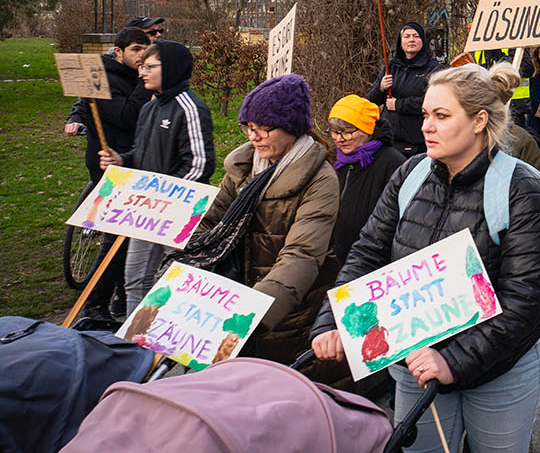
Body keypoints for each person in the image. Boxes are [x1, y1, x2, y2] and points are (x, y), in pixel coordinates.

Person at [311, 63, 540, 453]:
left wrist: (453, 361)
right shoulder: (410, 173)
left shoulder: (521, 188)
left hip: (501, 370)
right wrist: (333, 319)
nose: (426, 126)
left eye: (441, 115)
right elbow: (368, 251)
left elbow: (524, 297)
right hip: (415, 360)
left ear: (479, 121)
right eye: (425, 114)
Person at [167, 75, 340, 363]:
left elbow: (301, 256)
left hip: (284, 315)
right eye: (248, 127)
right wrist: (180, 274)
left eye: (263, 129)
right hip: (233, 297)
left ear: (291, 127)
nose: (252, 137)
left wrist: (250, 314)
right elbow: (209, 223)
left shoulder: (320, 180)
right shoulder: (243, 168)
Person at [98, 41, 214, 314]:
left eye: (149, 66)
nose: (141, 72)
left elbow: (200, 164)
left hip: (178, 213)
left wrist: (165, 196)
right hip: (148, 211)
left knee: (175, 285)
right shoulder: (149, 109)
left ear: (171, 68)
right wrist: (122, 160)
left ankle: (164, 336)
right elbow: (142, 153)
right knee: (135, 279)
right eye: (141, 66)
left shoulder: (190, 108)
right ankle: (134, 335)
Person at [63, 26, 152, 323]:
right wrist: (143, 85)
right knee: (117, 239)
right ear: (118, 52)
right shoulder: (105, 77)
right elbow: (127, 116)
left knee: (131, 236)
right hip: (110, 166)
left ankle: (121, 297)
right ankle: (96, 303)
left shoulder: (130, 75)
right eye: (135, 50)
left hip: (133, 162)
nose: (141, 57)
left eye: (145, 50)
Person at [327, 94, 407, 267]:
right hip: (333, 260)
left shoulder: (392, 163)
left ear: (367, 129)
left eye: (347, 132)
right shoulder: (332, 160)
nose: (340, 139)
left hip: (371, 261)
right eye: (335, 132)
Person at [367, 21, 444, 157]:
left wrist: (398, 105)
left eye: (416, 36)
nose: (411, 40)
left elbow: (434, 102)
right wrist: (381, 88)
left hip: (416, 141)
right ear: (401, 42)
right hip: (387, 140)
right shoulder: (391, 66)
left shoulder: (433, 69)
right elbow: (371, 101)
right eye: (407, 36)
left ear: (423, 41)